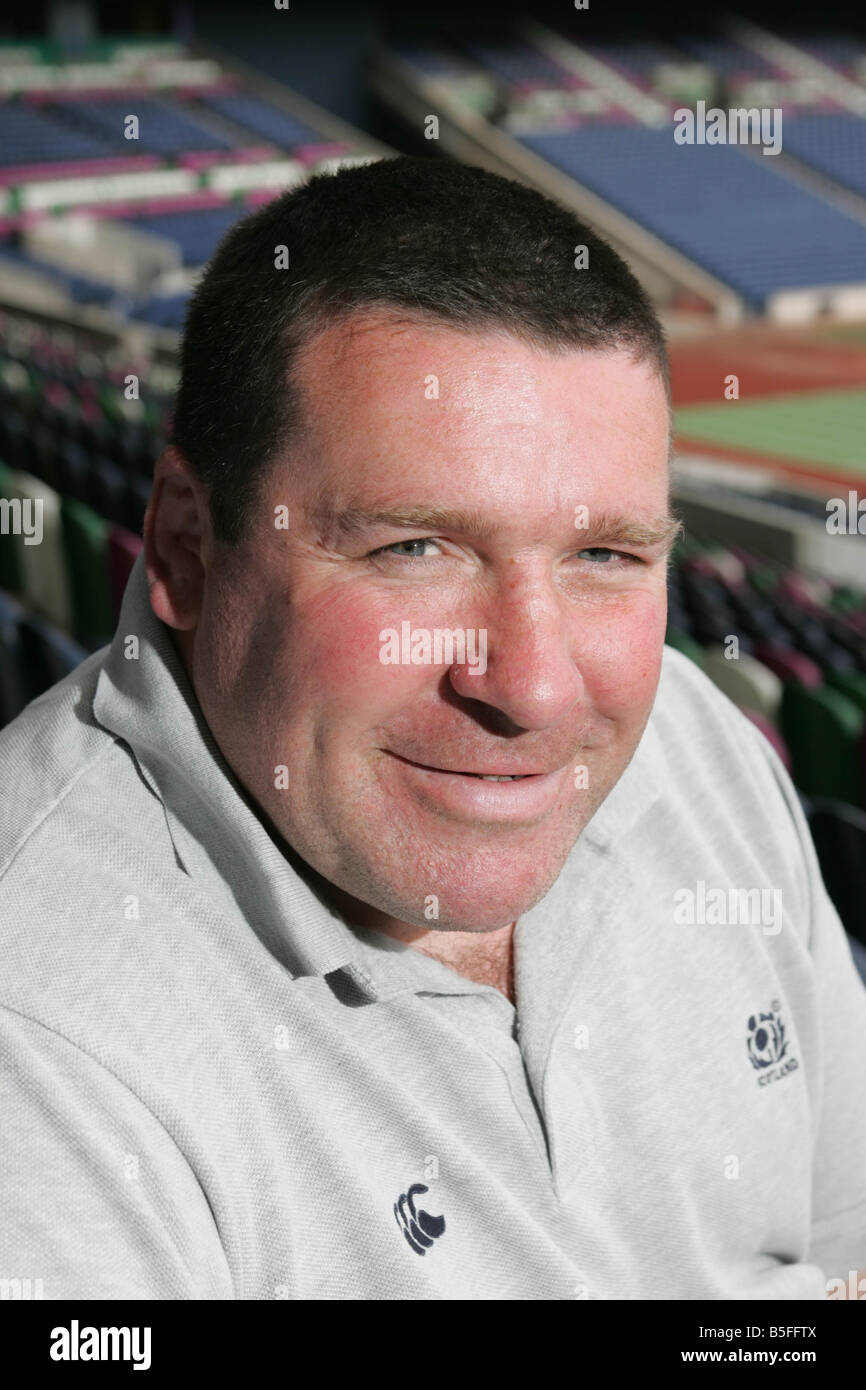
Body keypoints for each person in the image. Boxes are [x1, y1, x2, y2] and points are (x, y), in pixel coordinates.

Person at [1, 156, 864, 1301]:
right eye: (415, 549)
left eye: (603, 556)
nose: (537, 689)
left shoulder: (696, 745)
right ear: (182, 546)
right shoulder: (41, 1027)